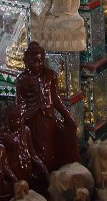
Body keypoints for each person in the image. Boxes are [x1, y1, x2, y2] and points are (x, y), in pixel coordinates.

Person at [15, 41, 80, 172]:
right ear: (26, 62)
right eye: (33, 61)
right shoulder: (21, 80)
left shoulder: (50, 76)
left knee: (52, 147)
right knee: (37, 151)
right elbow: (20, 104)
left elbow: (56, 99)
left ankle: (54, 172)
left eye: (40, 61)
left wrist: (68, 117)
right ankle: (41, 177)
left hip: (48, 119)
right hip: (32, 121)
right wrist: (20, 123)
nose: (37, 64)